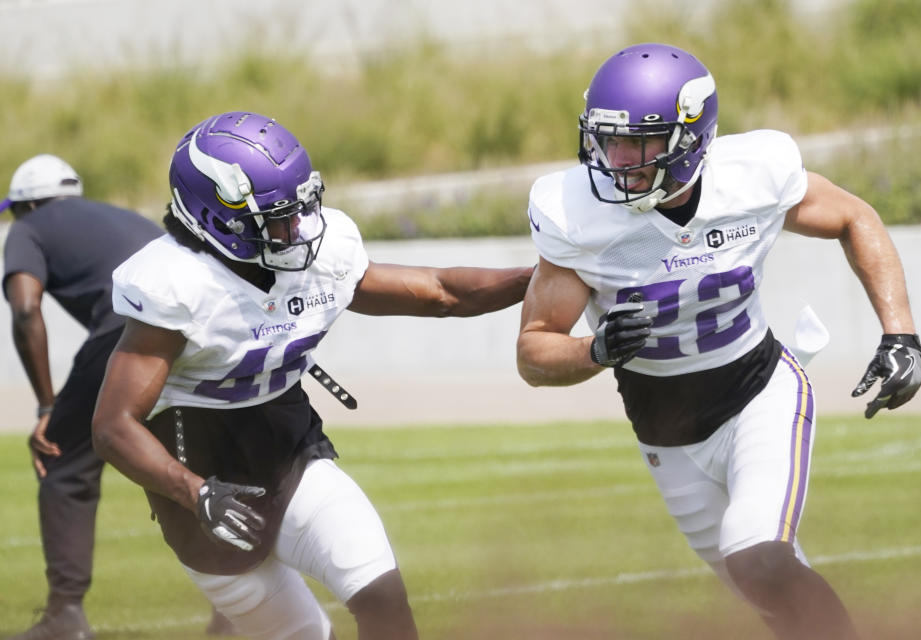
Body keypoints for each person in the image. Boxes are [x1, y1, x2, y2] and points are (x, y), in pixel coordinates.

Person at [516, 43, 921, 640]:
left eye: (639, 141)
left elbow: (854, 217)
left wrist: (901, 334)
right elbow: (533, 349)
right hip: (668, 442)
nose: (616, 158)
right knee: (772, 596)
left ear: (690, 139)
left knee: (757, 556)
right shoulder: (580, 217)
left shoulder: (749, 179)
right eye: (608, 139)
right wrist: (593, 351)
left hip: (757, 396)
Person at [90, 111, 531, 640]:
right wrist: (194, 491)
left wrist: (541, 276)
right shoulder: (177, 284)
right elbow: (113, 426)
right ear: (219, 217)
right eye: (278, 218)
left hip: (288, 449)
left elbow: (441, 292)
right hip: (199, 474)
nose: (298, 229)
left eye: (299, 209)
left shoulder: (321, 254)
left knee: (385, 603)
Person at [2, 155, 237, 640]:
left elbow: (25, 309)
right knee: (182, 466)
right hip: (199, 329)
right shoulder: (119, 216)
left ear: (24, 206)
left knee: (63, 463)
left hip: (133, 333)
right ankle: (241, 605)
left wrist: (47, 407)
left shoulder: (29, 228)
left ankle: (65, 614)